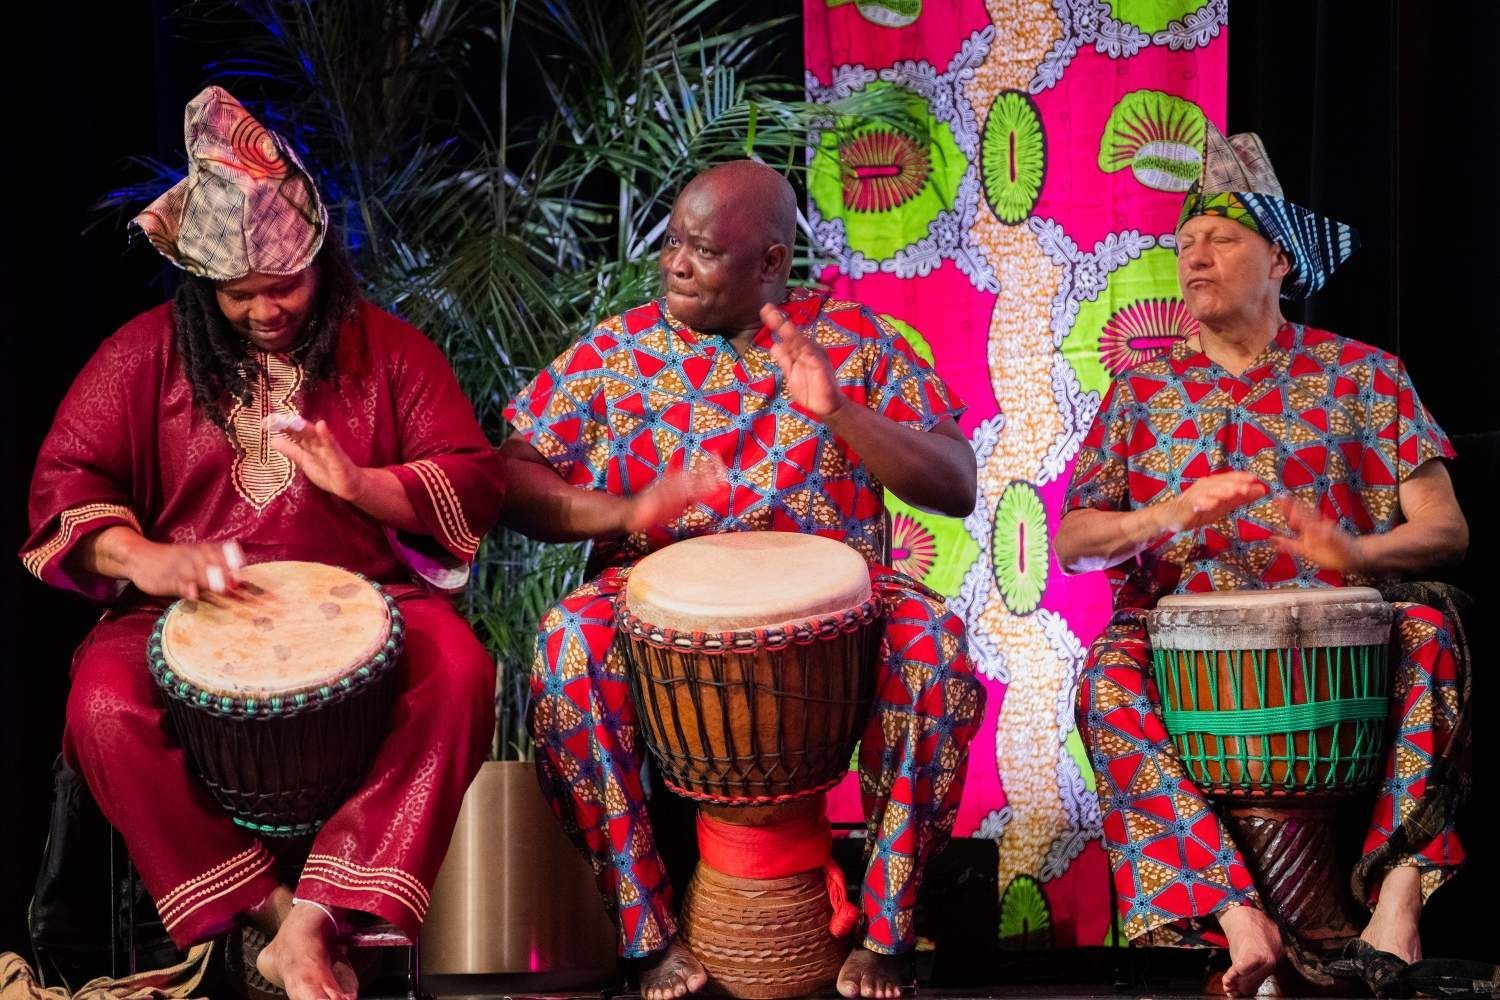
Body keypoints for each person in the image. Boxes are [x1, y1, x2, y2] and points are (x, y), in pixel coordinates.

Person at [21, 86, 506, 1000]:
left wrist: (364, 486)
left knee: (462, 668)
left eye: (284, 285)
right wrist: (145, 558)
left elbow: (474, 477)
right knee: (101, 705)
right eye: (237, 295)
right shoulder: (142, 357)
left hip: (368, 602)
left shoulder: (392, 355)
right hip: (181, 613)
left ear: (321, 258)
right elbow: (66, 486)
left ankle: (324, 914)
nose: (265, 310)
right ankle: (277, 920)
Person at [501, 160, 985, 1000]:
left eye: (701, 250)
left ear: (769, 263)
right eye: (673, 244)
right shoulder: (619, 352)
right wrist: (620, 513)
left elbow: (956, 481)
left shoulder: (856, 340)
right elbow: (510, 479)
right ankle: (642, 931)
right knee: (567, 646)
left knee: (936, 648)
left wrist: (842, 412)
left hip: (843, 601)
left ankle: (889, 928)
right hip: (651, 595)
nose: (674, 264)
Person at [1055, 123, 1469, 997]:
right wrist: (1169, 512)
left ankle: (1398, 896)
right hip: (1176, 649)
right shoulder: (1140, 389)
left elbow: (1445, 528)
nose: (1195, 258)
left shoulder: (1366, 376)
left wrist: (1355, 548)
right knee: (1101, 680)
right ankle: (1236, 915)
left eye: (1222, 239)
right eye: (1185, 243)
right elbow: (1072, 540)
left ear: (1280, 261)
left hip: (1345, 640)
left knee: (1432, 624)